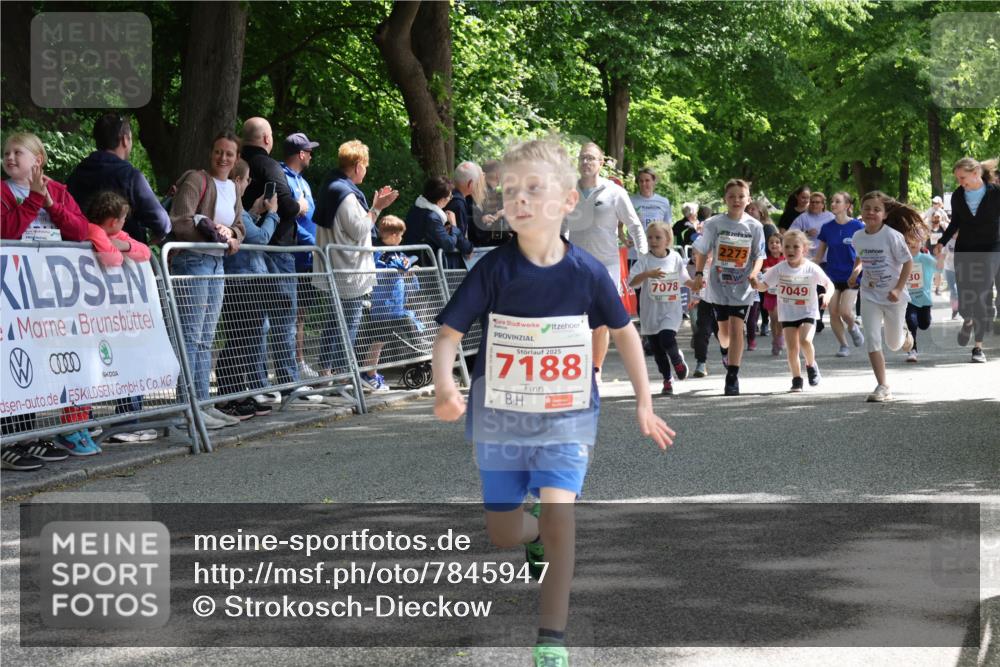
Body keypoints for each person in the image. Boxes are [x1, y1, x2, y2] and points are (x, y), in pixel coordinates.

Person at [431, 138, 674, 667]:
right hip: (499, 419)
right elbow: (449, 333)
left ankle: (552, 639)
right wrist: (445, 384)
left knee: (562, 513)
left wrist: (643, 403)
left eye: (533, 189)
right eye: (510, 190)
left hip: (567, 418)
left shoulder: (586, 271)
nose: (519, 199)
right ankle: (531, 530)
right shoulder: (494, 269)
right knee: (502, 533)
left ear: (568, 200)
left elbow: (626, 333)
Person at [169, 131, 246, 429]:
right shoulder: (196, 180)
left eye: (229, 153)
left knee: (205, 340)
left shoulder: (233, 189)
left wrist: (233, 235)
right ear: (211, 153)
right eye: (218, 151)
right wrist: (215, 232)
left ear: (237, 158)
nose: (223, 158)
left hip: (216, 264)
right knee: (189, 337)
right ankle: (185, 407)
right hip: (194, 261)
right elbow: (182, 220)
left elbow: (239, 226)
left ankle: (203, 403)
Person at [313, 139, 399, 375]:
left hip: (336, 269)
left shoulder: (331, 186)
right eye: (366, 165)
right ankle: (343, 377)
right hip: (349, 273)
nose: (366, 170)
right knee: (346, 326)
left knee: (333, 324)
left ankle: (326, 375)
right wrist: (377, 208)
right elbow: (359, 229)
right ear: (358, 165)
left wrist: (373, 207)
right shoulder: (346, 195)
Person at [564, 141, 648, 383]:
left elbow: (634, 226)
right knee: (577, 317)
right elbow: (562, 227)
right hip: (576, 263)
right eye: (582, 158)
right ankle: (579, 366)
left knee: (599, 318)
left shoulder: (614, 192)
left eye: (591, 158)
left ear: (601, 163)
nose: (586, 162)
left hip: (606, 264)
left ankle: (596, 370)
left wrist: (643, 257)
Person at [240, 117, 304, 389]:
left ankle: (258, 384)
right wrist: (299, 205)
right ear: (267, 139)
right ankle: (289, 382)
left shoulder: (237, 166)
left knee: (256, 321)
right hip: (276, 250)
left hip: (245, 251)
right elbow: (283, 204)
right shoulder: (269, 166)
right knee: (282, 319)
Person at [215, 159, 280, 422]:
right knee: (241, 338)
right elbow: (260, 237)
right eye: (247, 179)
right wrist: (272, 214)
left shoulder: (238, 208)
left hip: (248, 280)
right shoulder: (230, 205)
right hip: (241, 281)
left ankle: (237, 391)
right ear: (239, 180)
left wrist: (254, 212)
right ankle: (228, 394)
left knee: (248, 337)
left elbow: (247, 229)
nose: (249, 183)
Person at [690, 179, 765, 396]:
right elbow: (702, 251)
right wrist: (697, 274)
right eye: (732, 196)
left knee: (736, 327)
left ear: (748, 199)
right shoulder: (714, 223)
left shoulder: (755, 226)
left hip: (743, 285)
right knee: (723, 333)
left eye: (741, 196)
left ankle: (732, 376)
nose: (736, 200)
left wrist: (753, 273)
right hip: (719, 284)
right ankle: (725, 350)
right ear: (725, 199)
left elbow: (760, 255)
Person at [848, 192, 921, 402]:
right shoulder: (858, 236)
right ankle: (883, 385)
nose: (871, 212)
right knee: (872, 339)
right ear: (861, 211)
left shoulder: (892, 236)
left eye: (876, 209)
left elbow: (907, 263)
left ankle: (906, 336)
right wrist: (855, 272)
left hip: (893, 297)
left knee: (894, 344)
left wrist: (898, 288)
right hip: (869, 293)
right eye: (867, 208)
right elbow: (862, 256)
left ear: (885, 214)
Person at [66, 113, 171, 244]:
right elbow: (162, 223)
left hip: (77, 255)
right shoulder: (131, 177)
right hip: (121, 259)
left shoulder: (77, 173)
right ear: (125, 139)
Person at [934, 157, 1000, 363]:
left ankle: (978, 347)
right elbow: (955, 223)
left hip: (990, 248)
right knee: (964, 297)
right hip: (965, 249)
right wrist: (941, 242)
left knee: (980, 293)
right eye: (958, 179)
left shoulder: (995, 193)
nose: (960, 182)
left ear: (976, 173)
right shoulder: (958, 195)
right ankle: (967, 320)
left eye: (963, 178)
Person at [356, 215, 428, 392]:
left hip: (394, 305)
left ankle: (370, 373)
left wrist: (408, 268)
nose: (401, 238)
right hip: (383, 307)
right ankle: (369, 374)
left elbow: (407, 262)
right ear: (392, 234)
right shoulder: (380, 252)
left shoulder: (396, 252)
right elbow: (381, 267)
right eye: (399, 234)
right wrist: (401, 265)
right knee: (377, 342)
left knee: (380, 342)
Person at [757, 230, 833, 391]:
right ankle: (797, 379)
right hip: (788, 313)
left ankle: (811, 365)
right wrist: (754, 283)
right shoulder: (779, 269)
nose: (791, 250)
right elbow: (764, 285)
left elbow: (829, 284)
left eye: (795, 247)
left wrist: (827, 295)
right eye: (787, 247)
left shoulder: (811, 268)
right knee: (792, 349)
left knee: (805, 340)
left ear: (804, 249)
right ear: (782, 249)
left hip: (808, 311)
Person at [627, 221, 690, 395]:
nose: (653, 241)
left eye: (658, 237)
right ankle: (667, 379)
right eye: (650, 238)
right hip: (650, 312)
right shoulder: (644, 260)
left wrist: (694, 284)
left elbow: (684, 276)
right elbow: (631, 282)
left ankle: (677, 360)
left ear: (668, 239)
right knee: (657, 350)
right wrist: (648, 274)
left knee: (667, 338)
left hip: (671, 309)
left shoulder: (675, 257)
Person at [280, 132, 320, 381]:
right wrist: (313, 243)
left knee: (301, 313)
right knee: (288, 314)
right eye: (309, 151)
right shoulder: (283, 178)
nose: (312, 156)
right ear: (301, 154)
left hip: (308, 258)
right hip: (293, 256)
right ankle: (289, 368)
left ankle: (299, 360)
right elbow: (291, 219)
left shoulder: (303, 182)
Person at [2, 132, 89, 242]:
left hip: (54, 258)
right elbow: (3, 232)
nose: (9, 157)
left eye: (17, 152)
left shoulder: (58, 191)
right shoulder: (2, 191)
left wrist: (52, 207)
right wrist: (34, 200)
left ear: (38, 160)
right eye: (6, 154)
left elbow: (82, 232)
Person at [815, 192, 865, 357]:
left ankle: (852, 327)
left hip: (852, 276)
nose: (833, 204)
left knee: (845, 311)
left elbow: (863, 255)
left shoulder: (858, 227)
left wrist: (856, 272)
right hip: (832, 276)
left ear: (847, 205)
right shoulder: (827, 228)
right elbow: (819, 256)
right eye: (832, 201)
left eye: (838, 201)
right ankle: (844, 345)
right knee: (833, 312)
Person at [403, 176, 473, 269]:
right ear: (442, 200)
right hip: (426, 268)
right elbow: (448, 244)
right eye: (450, 197)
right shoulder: (432, 218)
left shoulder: (416, 209)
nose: (451, 199)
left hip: (416, 262)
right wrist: (453, 225)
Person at [745, 197, 779, 337]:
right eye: (748, 209)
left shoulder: (767, 227)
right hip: (750, 263)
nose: (749, 211)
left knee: (765, 294)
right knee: (757, 295)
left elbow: (771, 247)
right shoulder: (748, 225)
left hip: (764, 264)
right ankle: (756, 321)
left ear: (762, 212)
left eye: (753, 209)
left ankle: (766, 322)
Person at [904, 229, 938, 363]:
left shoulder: (925, 258)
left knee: (924, 324)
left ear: (921, 243)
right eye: (909, 241)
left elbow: (939, 268)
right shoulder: (902, 259)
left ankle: (922, 321)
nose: (913, 243)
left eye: (916, 241)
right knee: (911, 321)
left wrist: (941, 259)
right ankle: (912, 350)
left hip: (924, 299)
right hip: (908, 298)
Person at [629, 167, 672, 261]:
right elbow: (620, 223)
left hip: (657, 252)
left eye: (647, 180)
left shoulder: (663, 202)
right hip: (636, 253)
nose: (644, 184)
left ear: (654, 181)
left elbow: (668, 228)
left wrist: (668, 249)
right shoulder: (630, 201)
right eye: (641, 181)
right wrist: (624, 240)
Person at [471, 159, 512, 245]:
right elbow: (482, 223)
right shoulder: (479, 192)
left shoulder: (493, 192)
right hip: (482, 245)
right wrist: (498, 215)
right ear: (498, 175)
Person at [446, 160, 482, 245]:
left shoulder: (448, 196)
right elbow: (459, 237)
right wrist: (469, 248)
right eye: (477, 182)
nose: (478, 185)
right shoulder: (458, 204)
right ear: (470, 184)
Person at [761, 232, 785, 355]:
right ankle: (775, 340)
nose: (774, 244)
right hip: (769, 294)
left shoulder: (785, 259)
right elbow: (762, 275)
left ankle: (780, 338)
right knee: (773, 319)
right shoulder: (765, 260)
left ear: (782, 245)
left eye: (777, 242)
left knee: (779, 318)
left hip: (782, 295)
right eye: (771, 242)